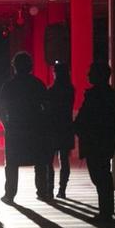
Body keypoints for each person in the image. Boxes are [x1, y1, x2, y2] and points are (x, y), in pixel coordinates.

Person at [0, 51, 47, 203]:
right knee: (39, 162)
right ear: (30, 66)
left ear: (15, 67)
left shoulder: (9, 85)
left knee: (12, 163)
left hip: (15, 128)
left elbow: (0, 109)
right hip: (34, 128)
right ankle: (42, 191)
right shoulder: (38, 84)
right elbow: (47, 106)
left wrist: (7, 125)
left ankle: (10, 194)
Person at [74, 62, 115, 221]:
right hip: (105, 141)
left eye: (91, 72)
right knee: (103, 176)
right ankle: (107, 211)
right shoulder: (110, 94)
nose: (88, 75)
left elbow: (86, 118)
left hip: (95, 141)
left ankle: (105, 213)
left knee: (100, 177)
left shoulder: (95, 95)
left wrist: (75, 127)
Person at [46, 61, 76, 198]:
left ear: (56, 74)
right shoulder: (70, 89)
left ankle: (49, 189)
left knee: (49, 160)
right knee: (64, 160)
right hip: (66, 126)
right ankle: (62, 189)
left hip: (52, 127)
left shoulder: (51, 91)